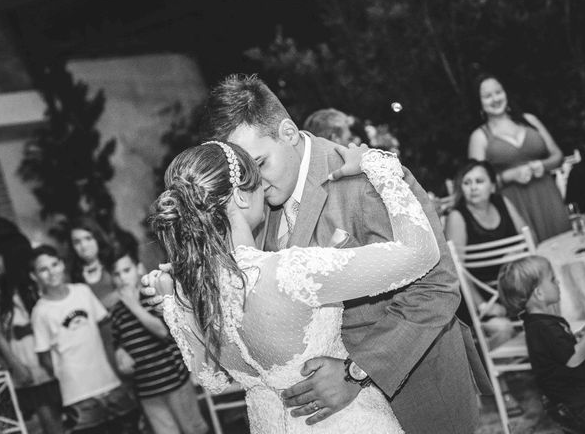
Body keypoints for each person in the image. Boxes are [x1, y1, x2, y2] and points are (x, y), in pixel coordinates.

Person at [146, 74, 486, 433]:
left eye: (259, 164)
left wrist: (358, 373)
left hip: (413, 390)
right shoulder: (249, 209)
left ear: (289, 133)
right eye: (241, 174)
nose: (253, 184)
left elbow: (437, 286)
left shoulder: (362, 175)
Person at [151, 140, 441, 433]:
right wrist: (378, 166)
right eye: (256, 180)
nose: (264, 189)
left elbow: (211, 379)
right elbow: (421, 254)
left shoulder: (185, 295)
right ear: (239, 197)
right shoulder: (287, 273)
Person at [444, 160, 528, 416]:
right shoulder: (458, 216)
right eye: (467, 183)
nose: (473, 188)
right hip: (477, 298)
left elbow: (526, 238)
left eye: (479, 181)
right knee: (500, 328)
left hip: (514, 290)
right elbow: (457, 271)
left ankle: (553, 379)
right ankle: (500, 386)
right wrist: (485, 305)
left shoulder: (504, 203)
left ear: (492, 185)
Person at [498, 255, 585, 434]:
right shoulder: (545, 327)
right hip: (572, 403)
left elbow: (562, 355)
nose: (558, 282)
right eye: (553, 280)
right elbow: (573, 359)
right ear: (539, 293)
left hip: (565, 401)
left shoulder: (540, 323)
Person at [30, 245, 139, 434]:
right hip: (77, 394)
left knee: (130, 428)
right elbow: (44, 356)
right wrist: (66, 373)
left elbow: (106, 329)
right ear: (34, 277)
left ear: (62, 265)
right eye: (43, 269)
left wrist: (115, 364)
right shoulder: (40, 312)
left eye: (54, 264)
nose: (51, 272)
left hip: (110, 381)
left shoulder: (82, 292)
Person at [108, 246, 208, 434]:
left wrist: (133, 306)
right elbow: (117, 342)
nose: (122, 278)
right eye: (116, 274)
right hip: (147, 389)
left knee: (193, 429)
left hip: (174, 380)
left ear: (138, 268)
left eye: (126, 270)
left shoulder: (152, 296)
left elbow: (164, 332)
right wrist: (120, 354)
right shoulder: (117, 312)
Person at [468, 73, 570, 242]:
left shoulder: (530, 120)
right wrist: (508, 176)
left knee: (564, 242)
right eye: (487, 96)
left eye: (498, 92)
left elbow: (558, 156)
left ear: (506, 93)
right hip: (514, 203)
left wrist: (543, 165)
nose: (495, 99)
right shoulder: (479, 136)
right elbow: (478, 183)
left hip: (547, 194)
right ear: (479, 102)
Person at [0, 220, 63, 433]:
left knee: (65, 417)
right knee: (47, 422)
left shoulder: (34, 282)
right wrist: (15, 365)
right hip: (26, 363)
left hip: (51, 361)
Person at [68, 217, 118, 310]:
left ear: (97, 238)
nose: (84, 246)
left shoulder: (115, 260)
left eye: (88, 238)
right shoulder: (74, 275)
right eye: (77, 242)